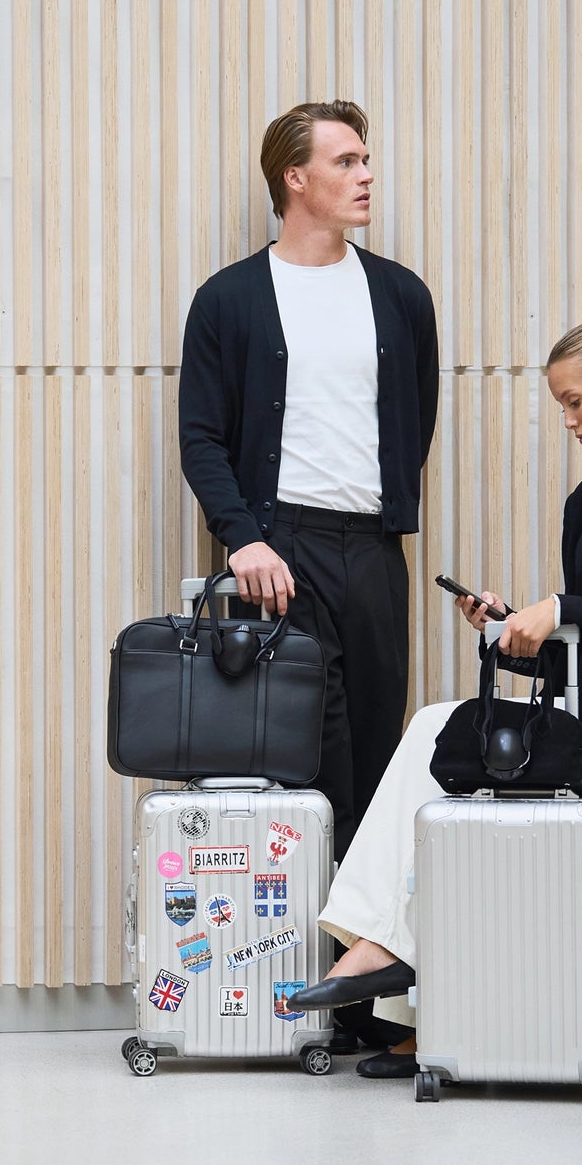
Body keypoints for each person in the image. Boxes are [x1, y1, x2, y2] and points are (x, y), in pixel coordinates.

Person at [284, 319, 582, 1080]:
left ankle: (387, 965)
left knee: (442, 733)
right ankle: (398, 983)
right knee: (440, 726)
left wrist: (561, 610)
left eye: (575, 401)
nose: (569, 420)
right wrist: (514, 633)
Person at [177, 100, 439, 1055]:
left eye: (367, 157)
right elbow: (202, 436)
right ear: (296, 178)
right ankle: (279, 985)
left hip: (370, 550)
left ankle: (368, 1005)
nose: (367, 173)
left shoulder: (401, 297)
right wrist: (243, 539)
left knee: (375, 754)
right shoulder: (233, 299)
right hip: (274, 554)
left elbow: (417, 420)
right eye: (348, 159)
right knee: (301, 765)